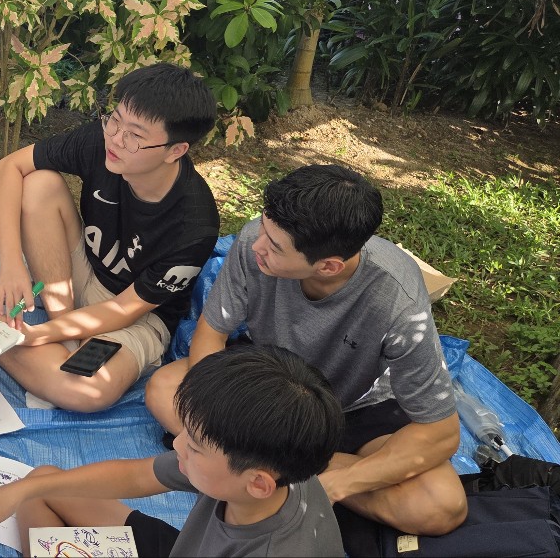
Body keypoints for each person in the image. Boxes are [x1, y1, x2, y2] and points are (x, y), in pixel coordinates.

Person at [145, 164, 468, 536]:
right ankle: (274, 470)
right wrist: (226, 411)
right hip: (269, 386)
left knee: (438, 505)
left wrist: (338, 484)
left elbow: (442, 432)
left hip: (353, 408)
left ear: (328, 266)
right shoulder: (255, 242)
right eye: (262, 227)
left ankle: (271, 471)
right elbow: (210, 335)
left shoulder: (397, 300)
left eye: (275, 247)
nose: (256, 246)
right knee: (163, 389)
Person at [0, 344, 346, 556]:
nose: (177, 445)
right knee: (40, 486)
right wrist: (19, 490)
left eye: (194, 447)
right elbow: (136, 476)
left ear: (258, 484)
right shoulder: (272, 463)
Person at [0, 63, 219, 411]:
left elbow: (123, 310)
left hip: (136, 318)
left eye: (135, 136)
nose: (116, 139)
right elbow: (9, 166)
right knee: (38, 183)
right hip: (84, 274)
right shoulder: (103, 142)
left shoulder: (194, 225)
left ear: (175, 150)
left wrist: (38, 335)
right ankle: (59, 340)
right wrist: (10, 262)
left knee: (89, 390)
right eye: (115, 119)